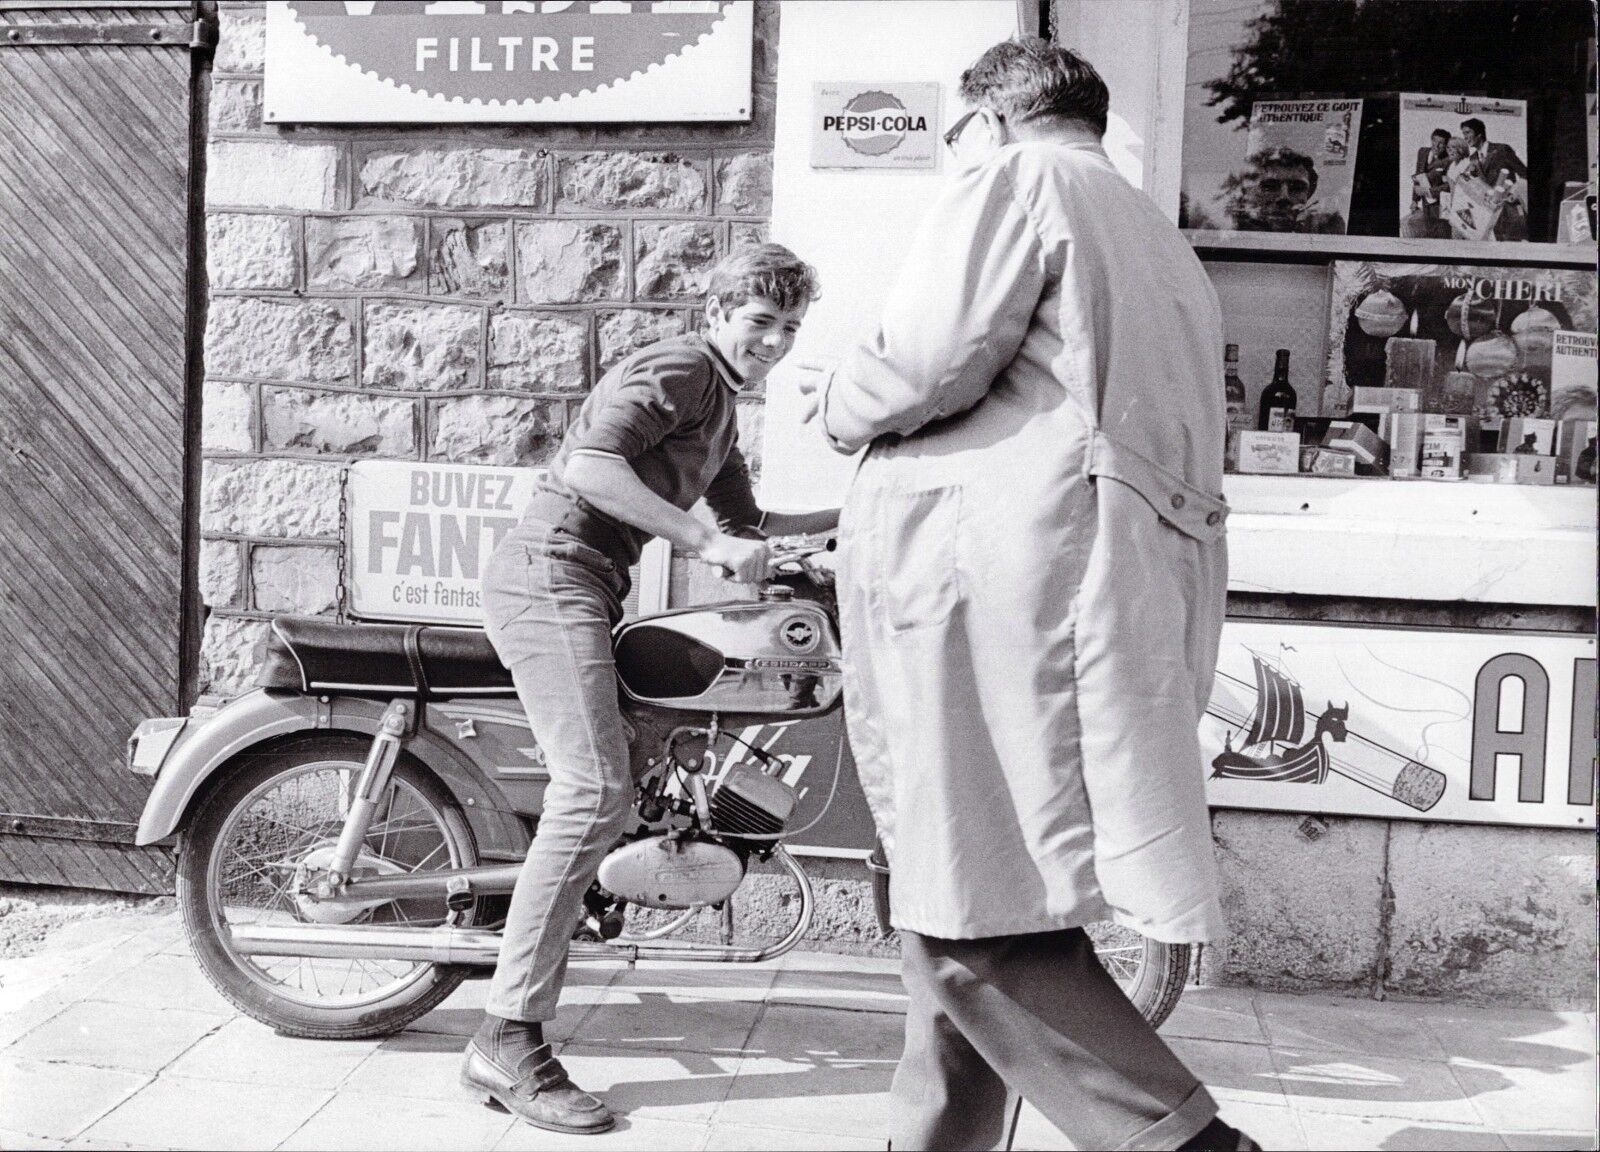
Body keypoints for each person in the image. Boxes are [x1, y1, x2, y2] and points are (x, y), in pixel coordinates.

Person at [798, 38, 1255, 1152]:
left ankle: (1187, 1144)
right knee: (958, 899)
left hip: (996, 586)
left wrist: (834, 401)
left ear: (990, 120)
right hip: (1091, 579)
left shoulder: (1013, 179)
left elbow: (920, 362)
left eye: (957, 135)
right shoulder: (1159, 235)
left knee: (972, 917)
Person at [466, 244, 838, 1135]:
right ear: (718, 314)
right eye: (760, 323)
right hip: (550, 575)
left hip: (591, 584)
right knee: (593, 789)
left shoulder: (721, 412)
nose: (775, 343)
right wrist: (706, 547)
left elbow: (753, 526)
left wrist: (867, 512)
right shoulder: (679, 369)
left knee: (635, 778)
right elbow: (592, 466)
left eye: (790, 329)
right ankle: (506, 1035)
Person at [1223, 145, 1346, 233]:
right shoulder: (1225, 233)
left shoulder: (1315, 231)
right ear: (1248, 193)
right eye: (1269, 187)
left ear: (1307, 195)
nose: (1284, 197)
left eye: (1297, 188)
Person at [1459, 116, 1528, 240]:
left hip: (1507, 210)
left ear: (1479, 133)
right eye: (1463, 134)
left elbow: (1524, 173)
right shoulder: (1473, 158)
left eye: (1468, 132)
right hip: (1488, 215)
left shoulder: (1502, 150)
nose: (1465, 137)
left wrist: (1514, 193)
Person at [1403, 128, 1454, 239]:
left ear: (1446, 146)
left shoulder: (1449, 160)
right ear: (1431, 140)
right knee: (1427, 232)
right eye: (1435, 141)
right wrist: (1415, 200)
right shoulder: (1422, 152)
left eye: (1441, 144)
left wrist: (1428, 191)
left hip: (1440, 204)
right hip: (1425, 204)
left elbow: (1449, 186)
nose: (1436, 146)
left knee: (1441, 233)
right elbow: (1418, 175)